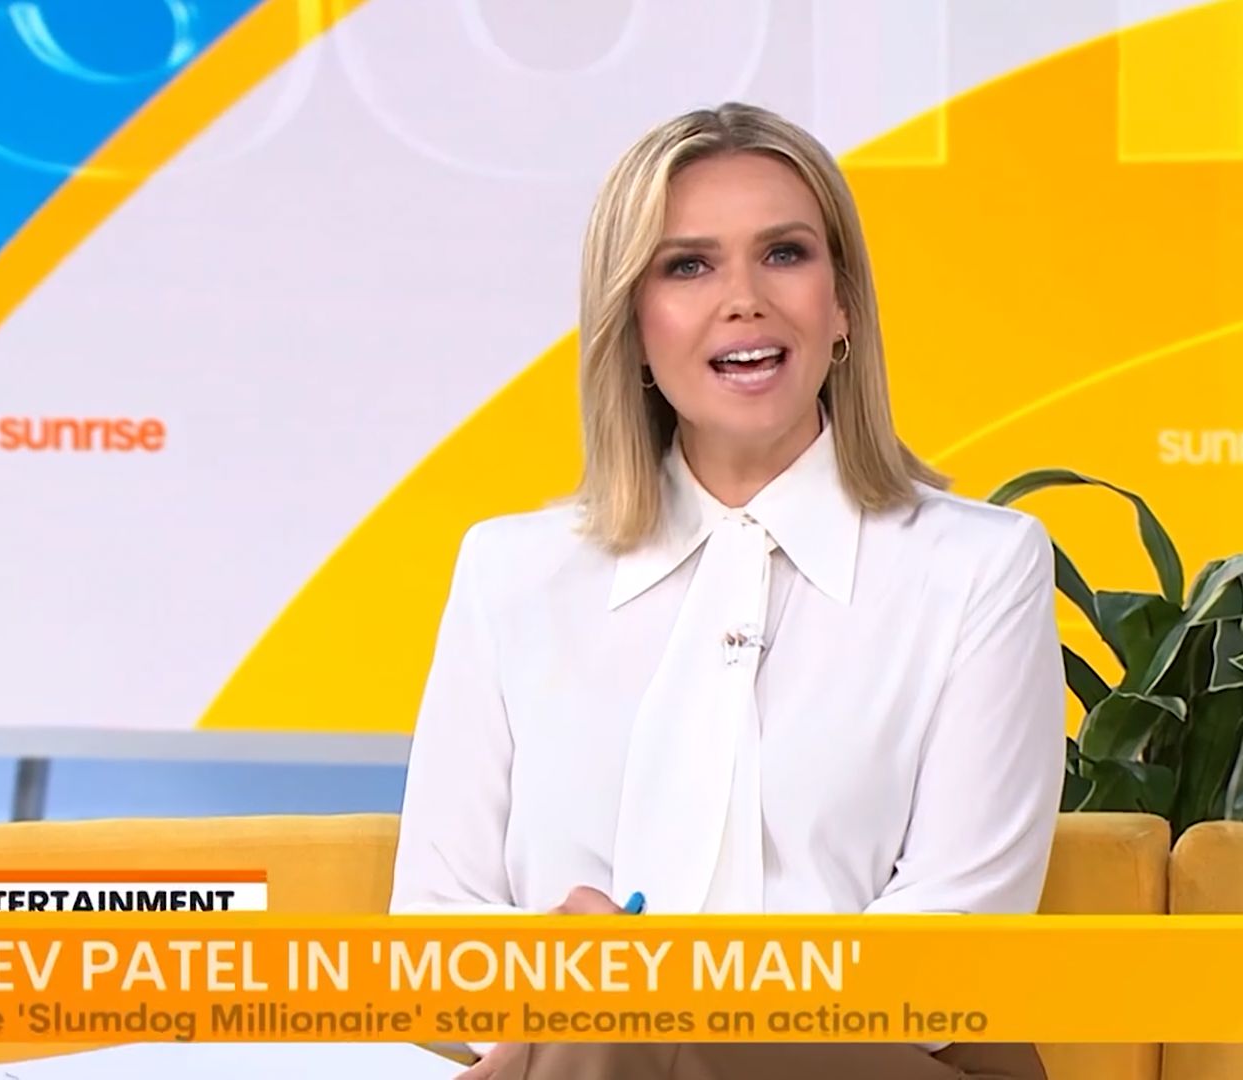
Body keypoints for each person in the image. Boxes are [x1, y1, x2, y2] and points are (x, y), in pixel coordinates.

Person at [390, 101, 1066, 1080]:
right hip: (574, 1052)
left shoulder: (980, 565)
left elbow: (955, 932)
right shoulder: (510, 573)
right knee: (606, 1018)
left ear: (843, 305)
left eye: (784, 254)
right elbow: (436, 933)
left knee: (616, 1015)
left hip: (875, 1061)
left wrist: (654, 994)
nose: (744, 300)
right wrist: (574, 983)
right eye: (688, 266)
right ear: (632, 324)